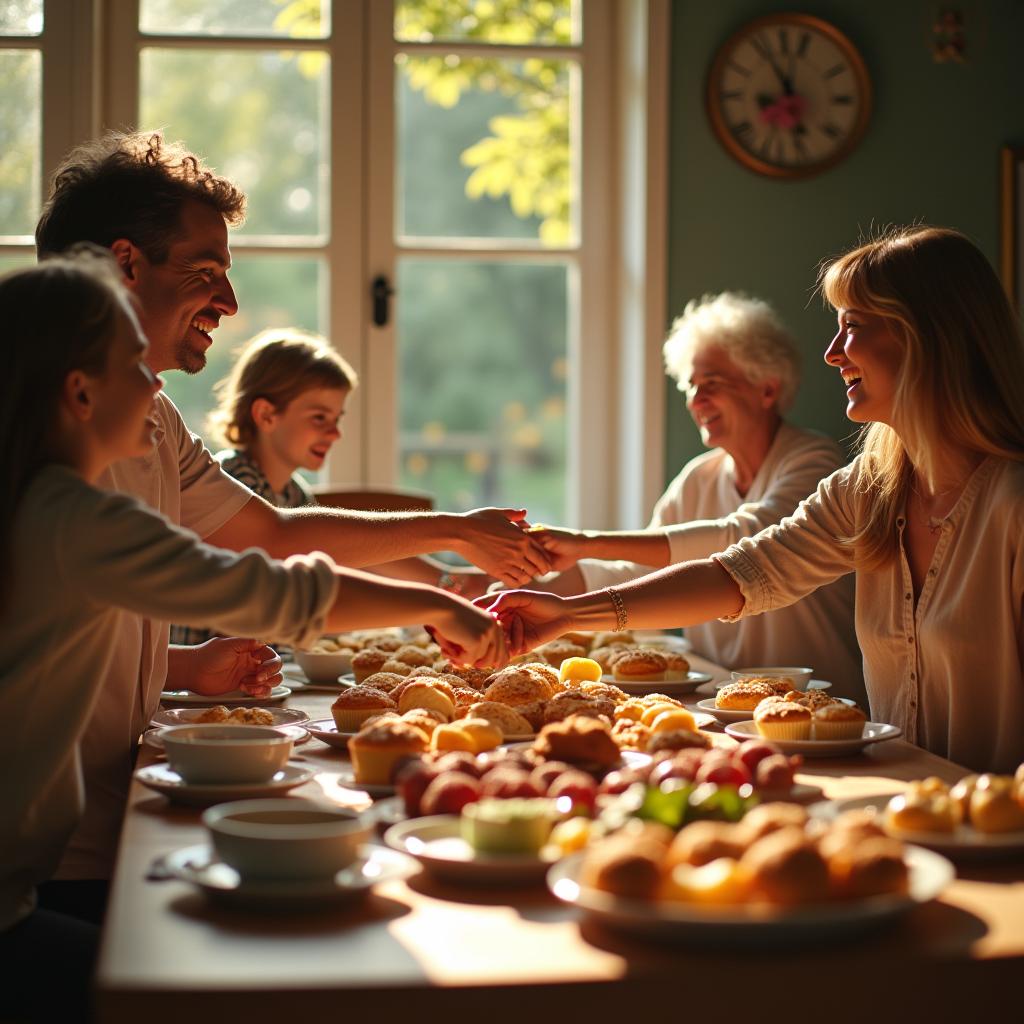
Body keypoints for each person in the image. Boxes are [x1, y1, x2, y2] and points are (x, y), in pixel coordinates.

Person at [33, 130, 549, 900]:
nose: (230, 303)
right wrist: (435, 599)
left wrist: (455, 532)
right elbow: (259, 580)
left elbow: (271, 535)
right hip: (51, 863)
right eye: (207, 273)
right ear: (126, 264)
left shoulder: (151, 415)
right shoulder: (56, 465)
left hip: (114, 824)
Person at [0, 252, 505, 1020]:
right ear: (79, 392)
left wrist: (181, 664)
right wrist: (437, 605)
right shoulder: (77, 515)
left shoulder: (43, 507)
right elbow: (270, 588)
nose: (154, 383)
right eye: (134, 363)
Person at [488, 226, 1024, 773]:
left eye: (853, 327)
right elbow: (743, 573)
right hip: (901, 800)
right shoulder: (870, 487)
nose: (833, 353)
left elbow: (737, 543)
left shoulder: (1012, 503)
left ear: (925, 337)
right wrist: (565, 616)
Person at [520, 293, 863, 700]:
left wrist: (584, 542)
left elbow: (745, 539)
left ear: (767, 389)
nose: (696, 401)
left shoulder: (813, 459)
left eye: (712, 385)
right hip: (724, 701)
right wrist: (532, 593)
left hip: (818, 704)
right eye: (692, 385)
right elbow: (635, 574)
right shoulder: (698, 478)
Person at [169, 327, 355, 646]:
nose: (335, 434)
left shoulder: (294, 494)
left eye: (337, 419)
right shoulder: (231, 480)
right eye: (320, 418)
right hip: (201, 677)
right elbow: (242, 613)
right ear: (266, 415)